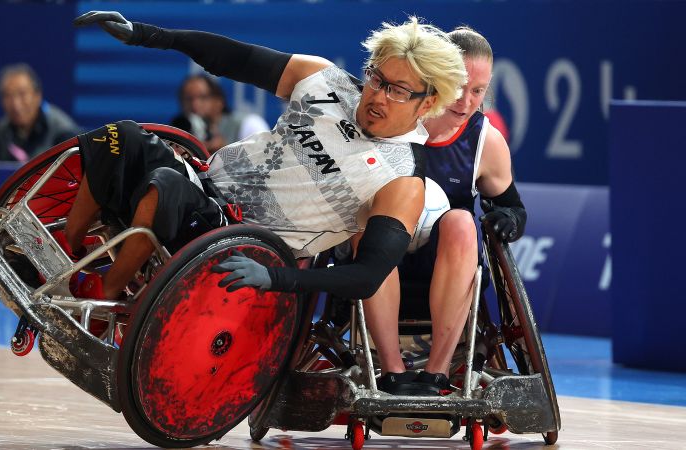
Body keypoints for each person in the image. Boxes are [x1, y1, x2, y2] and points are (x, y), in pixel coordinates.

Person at [67, 12, 467, 323]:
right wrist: (146, 34)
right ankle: (64, 255)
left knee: (166, 185)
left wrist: (276, 280)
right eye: (377, 80)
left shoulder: (401, 179)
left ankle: (104, 297)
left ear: (427, 104)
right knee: (119, 137)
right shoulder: (323, 79)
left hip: (238, 239)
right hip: (203, 183)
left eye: (398, 91)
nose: (378, 96)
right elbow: (235, 59)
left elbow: (367, 276)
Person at [363, 27, 527, 397]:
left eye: (479, 91)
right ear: (434, 78)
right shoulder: (387, 118)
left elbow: (513, 208)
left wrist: (508, 219)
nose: (467, 101)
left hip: (448, 265)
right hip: (377, 261)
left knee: (460, 220)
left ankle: (436, 373)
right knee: (374, 220)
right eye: (460, 85)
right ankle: (393, 370)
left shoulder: (486, 141)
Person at [0, 63, 81, 162]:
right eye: (8, 96)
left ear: (37, 96)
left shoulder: (64, 132)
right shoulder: (1, 131)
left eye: (22, 94)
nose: (16, 104)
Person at [171, 74, 270, 153]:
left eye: (203, 97)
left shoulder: (249, 124)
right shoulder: (177, 133)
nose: (195, 104)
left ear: (219, 102)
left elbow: (265, 161)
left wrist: (226, 153)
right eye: (188, 99)